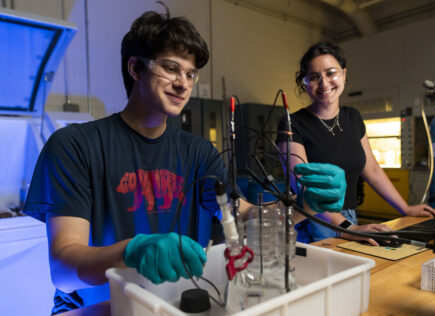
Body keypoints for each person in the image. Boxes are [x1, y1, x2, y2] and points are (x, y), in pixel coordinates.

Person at [23, 8, 346, 314]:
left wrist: (304, 204)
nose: (184, 84)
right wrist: (131, 251)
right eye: (171, 68)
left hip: (174, 305)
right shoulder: (76, 145)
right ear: (135, 68)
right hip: (105, 308)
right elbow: (64, 272)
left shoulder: (200, 153)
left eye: (191, 74)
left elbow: (244, 219)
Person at [277, 41, 435, 246]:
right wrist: (348, 228)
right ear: (304, 82)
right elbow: (305, 190)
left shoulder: (353, 117)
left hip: (349, 219)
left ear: (344, 74)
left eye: (331, 73)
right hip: (313, 224)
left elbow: (371, 168)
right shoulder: (292, 123)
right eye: (314, 77)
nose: (324, 83)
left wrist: (405, 209)